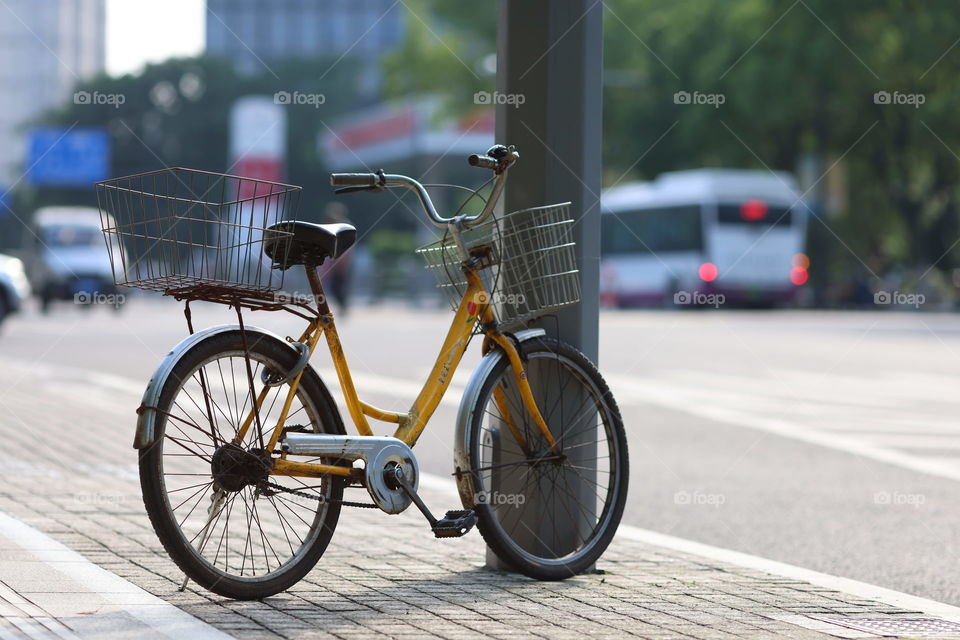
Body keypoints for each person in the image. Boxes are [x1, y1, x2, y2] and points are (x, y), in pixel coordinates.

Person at [321, 201, 353, 315]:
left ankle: (343, 306)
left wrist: (342, 262)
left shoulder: (344, 227)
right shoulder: (333, 226)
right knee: (335, 287)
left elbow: (347, 248)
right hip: (334, 262)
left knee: (338, 287)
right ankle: (342, 306)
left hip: (340, 262)